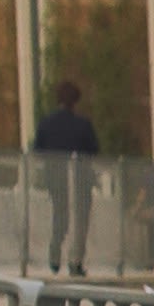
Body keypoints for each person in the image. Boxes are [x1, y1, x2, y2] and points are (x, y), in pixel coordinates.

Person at [31, 77, 99, 272]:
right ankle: (76, 261)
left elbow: (38, 151)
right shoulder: (83, 125)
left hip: (56, 178)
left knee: (60, 216)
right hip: (81, 179)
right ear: (75, 101)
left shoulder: (46, 124)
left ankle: (54, 254)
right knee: (81, 220)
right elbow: (94, 150)